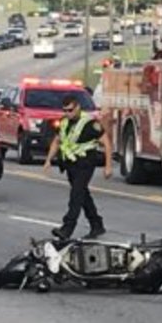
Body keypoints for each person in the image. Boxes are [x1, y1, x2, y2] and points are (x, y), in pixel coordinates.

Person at [43, 94, 113, 239]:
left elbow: (106, 143)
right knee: (83, 195)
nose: (67, 113)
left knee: (76, 195)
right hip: (71, 165)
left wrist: (108, 166)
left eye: (70, 110)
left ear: (78, 107)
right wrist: (48, 160)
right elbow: (57, 141)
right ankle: (97, 225)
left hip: (86, 163)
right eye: (65, 111)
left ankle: (67, 229)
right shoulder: (64, 123)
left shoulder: (89, 124)